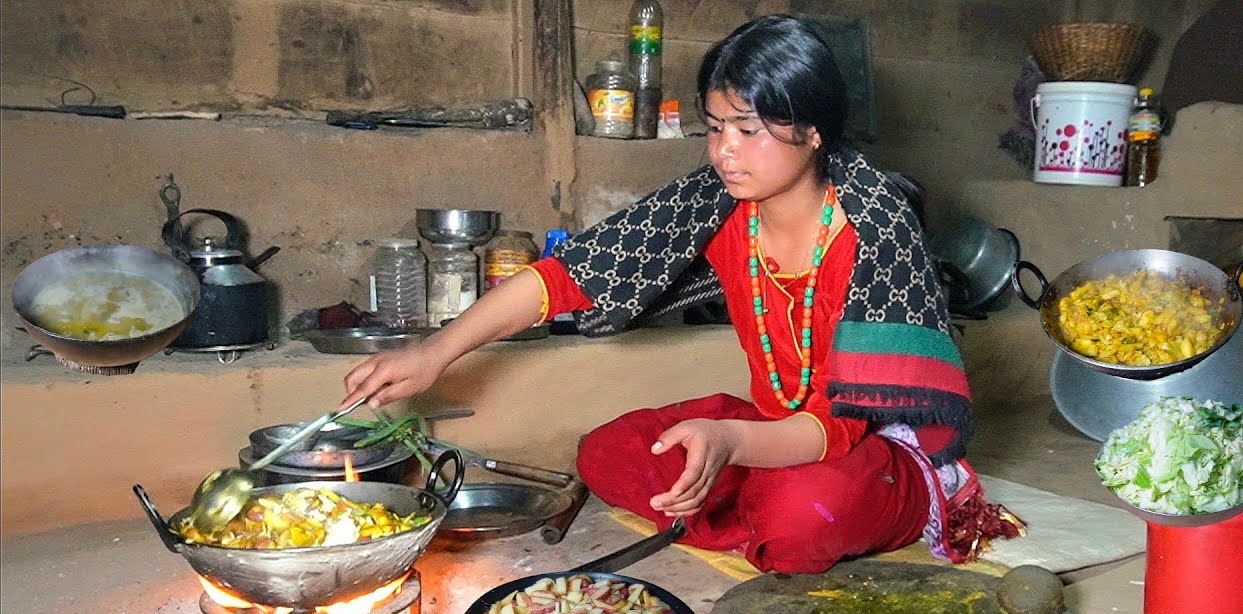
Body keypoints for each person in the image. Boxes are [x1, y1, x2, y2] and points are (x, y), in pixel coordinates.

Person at [344, 14, 1020, 574]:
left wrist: (725, 440)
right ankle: (748, 498)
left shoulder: (874, 230)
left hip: (875, 450)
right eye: (714, 126)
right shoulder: (717, 203)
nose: (725, 151)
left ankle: (785, 509)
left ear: (812, 131)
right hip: (770, 431)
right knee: (605, 453)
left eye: (748, 129)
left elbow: (836, 425)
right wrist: (434, 355)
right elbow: (570, 274)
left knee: (800, 522)